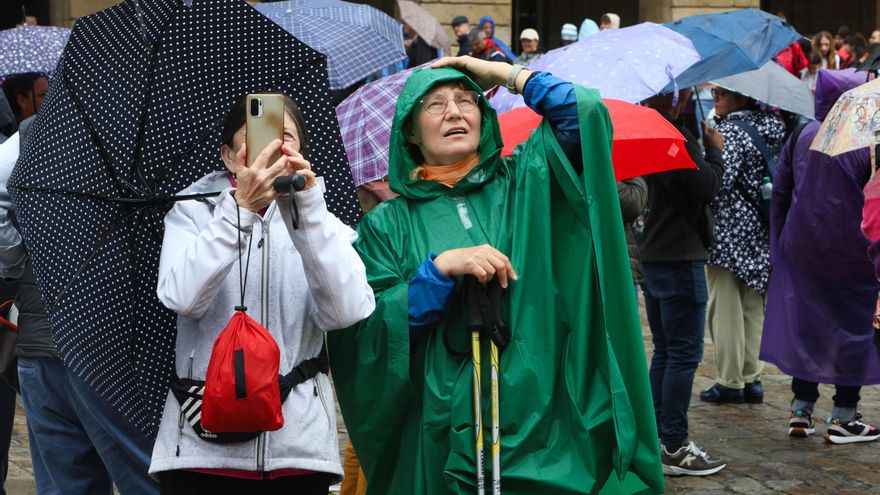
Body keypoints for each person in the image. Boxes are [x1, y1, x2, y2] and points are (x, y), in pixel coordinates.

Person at [328, 56, 663, 493]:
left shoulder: (525, 181)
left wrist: (504, 74)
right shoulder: (386, 224)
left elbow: (585, 114)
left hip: (546, 425)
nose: (454, 112)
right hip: (442, 433)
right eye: (435, 105)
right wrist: (439, 272)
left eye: (467, 100)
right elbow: (366, 333)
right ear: (409, 131)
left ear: (484, 118)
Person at [149, 93, 375, 492]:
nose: (271, 146)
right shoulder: (192, 213)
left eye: (284, 136)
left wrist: (306, 213)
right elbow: (181, 297)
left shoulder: (323, 222)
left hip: (296, 449)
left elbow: (347, 311)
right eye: (256, 137)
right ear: (229, 156)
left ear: (300, 151)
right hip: (201, 449)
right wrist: (238, 213)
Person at [0, 119, 160, 495]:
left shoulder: (36, 130)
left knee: (63, 485)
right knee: (147, 479)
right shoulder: (153, 124)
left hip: (44, 339)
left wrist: (18, 260)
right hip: (117, 344)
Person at [763, 68, 880, 444]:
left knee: (809, 328)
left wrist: (780, 243)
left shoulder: (802, 135)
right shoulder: (867, 142)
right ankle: (844, 416)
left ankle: (801, 409)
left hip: (803, 250)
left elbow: (780, 191)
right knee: (854, 332)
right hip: (853, 254)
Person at [639, 91, 726, 476]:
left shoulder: (645, 132)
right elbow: (707, 186)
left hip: (657, 254)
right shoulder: (673, 136)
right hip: (679, 259)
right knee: (683, 354)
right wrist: (714, 149)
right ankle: (673, 443)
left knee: (665, 351)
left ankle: (659, 437)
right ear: (674, 98)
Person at [699, 87, 784, 405]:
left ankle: (730, 381)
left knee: (725, 308)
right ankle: (752, 378)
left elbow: (719, 182)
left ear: (743, 97)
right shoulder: (774, 127)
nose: (715, 96)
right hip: (761, 227)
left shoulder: (730, 132)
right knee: (753, 306)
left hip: (728, 230)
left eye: (722, 92)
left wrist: (711, 151)